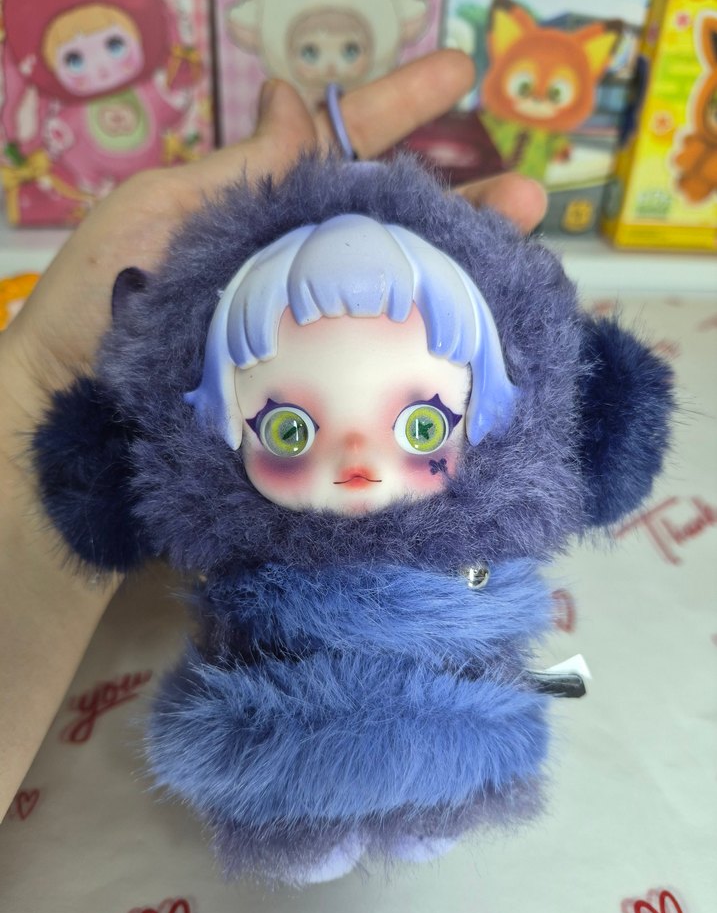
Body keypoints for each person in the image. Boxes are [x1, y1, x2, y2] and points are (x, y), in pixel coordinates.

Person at [0, 50, 547, 819]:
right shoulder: (235, 546)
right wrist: (36, 380)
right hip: (277, 743)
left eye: (421, 426)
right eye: (289, 431)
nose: (356, 462)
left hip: (450, 725)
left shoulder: (475, 549)